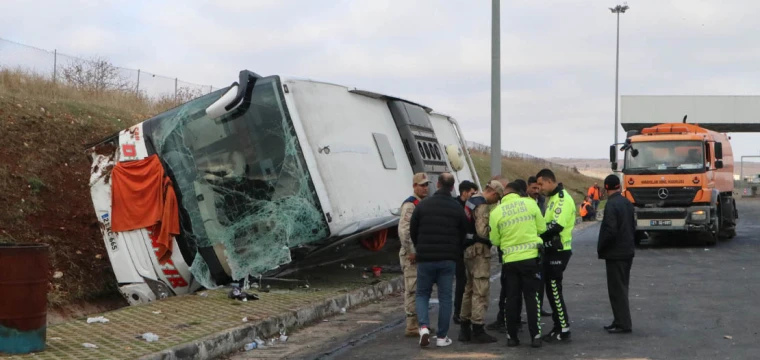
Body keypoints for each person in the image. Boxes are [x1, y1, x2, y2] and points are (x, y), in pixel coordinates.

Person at [410, 172, 469, 347]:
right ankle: (442, 338)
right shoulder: (457, 207)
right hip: (448, 259)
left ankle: (424, 328)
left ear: (437, 185)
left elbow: (413, 230)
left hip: (425, 258)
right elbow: (463, 232)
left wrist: (420, 247)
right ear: (452, 187)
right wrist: (455, 250)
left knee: (422, 294)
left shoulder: (422, 206)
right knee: (445, 297)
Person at [490, 182, 547, 348]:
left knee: (511, 299)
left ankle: (512, 337)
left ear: (504, 194)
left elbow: (495, 240)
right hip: (530, 259)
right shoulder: (530, 203)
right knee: (532, 297)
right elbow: (542, 228)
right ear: (518, 192)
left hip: (510, 262)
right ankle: (535, 336)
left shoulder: (496, 212)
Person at [458, 180, 503, 343]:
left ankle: (464, 327)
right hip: (479, 252)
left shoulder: (471, 200)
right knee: (480, 290)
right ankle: (478, 328)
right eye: (497, 198)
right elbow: (483, 232)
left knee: (468, 289)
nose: (496, 202)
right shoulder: (482, 205)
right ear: (493, 192)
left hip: (468, 251)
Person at [536, 168, 576, 343]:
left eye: (541, 184)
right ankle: (558, 326)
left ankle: (564, 328)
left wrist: (536, 235)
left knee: (554, 289)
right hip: (551, 250)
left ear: (550, 181)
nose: (539, 188)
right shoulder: (551, 199)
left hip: (559, 250)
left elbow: (555, 226)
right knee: (551, 290)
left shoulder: (562, 199)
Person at [597, 174, 635, 334]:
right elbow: (633, 225)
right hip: (627, 252)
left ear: (606, 188)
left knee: (616, 290)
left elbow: (610, 230)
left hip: (615, 253)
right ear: (618, 186)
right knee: (622, 287)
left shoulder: (611, 205)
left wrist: (602, 247)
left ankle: (623, 324)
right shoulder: (627, 202)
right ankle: (618, 319)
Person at [397, 172, 430, 337]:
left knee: (421, 289)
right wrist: (411, 251)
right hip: (412, 255)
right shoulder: (410, 205)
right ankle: (411, 325)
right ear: (414, 186)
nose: (425, 188)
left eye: (426, 185)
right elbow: (404, 231)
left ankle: (420, 323)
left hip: (420, 254)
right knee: (412, 288)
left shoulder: (422, 204)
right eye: (422, 185)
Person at [453, 180, 478, 325]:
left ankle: (465, 312)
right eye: (472, 193)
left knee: (468, 283)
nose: (473, 196)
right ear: (464, 192)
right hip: (458, 250)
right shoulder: (456, 206)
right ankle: (458, 312)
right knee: (461, 282)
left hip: (468, 248)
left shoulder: (471, 206)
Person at [528, 176, 552, 318]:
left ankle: (539, 307)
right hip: (527, 247)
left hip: (540, 245)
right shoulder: (524, 203)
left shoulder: (542, 201)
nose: (537, 191)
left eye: (538, 188)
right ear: (527, 187)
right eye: (534, 188)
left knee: (540, 280)